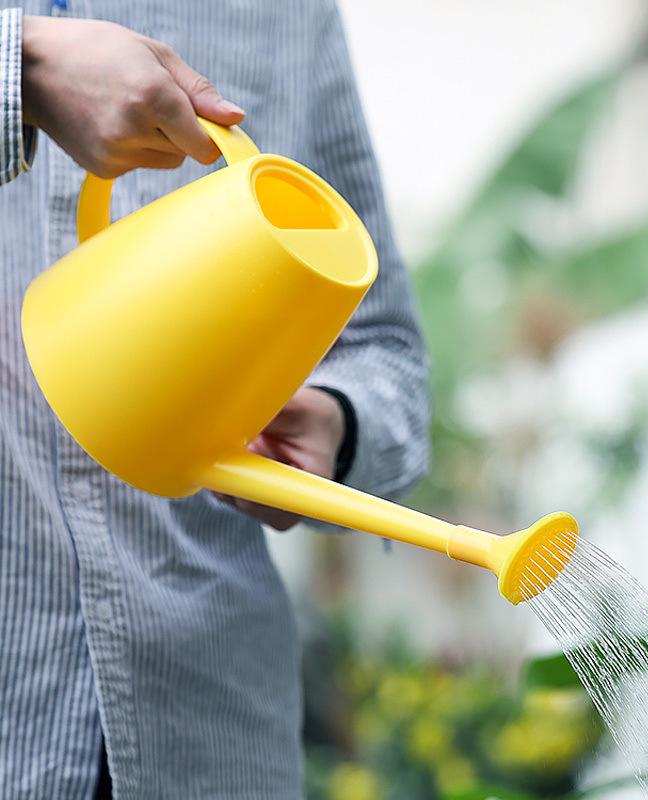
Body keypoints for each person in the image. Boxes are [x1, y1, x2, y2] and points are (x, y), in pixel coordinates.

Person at [0, 2, 429, 797]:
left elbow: (385, 353)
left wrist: (338, 424)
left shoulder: (286, 14)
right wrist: (19, 65)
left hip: (206, 727)